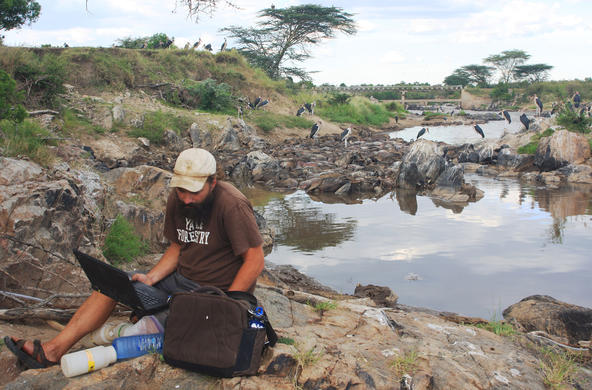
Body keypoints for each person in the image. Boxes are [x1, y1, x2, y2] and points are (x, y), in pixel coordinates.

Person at [5, 148, 265, 369]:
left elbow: (254, 259)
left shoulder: (232, 204)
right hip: (177, 282)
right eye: (182, 191)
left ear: (213, 182)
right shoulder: (179, 198)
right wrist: (151, 277)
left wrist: (228, 305)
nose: (186, 198)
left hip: (212, 293)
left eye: (194, 192)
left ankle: (142, 326)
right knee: (110, 285)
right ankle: (52, 351)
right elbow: (177, 246)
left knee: (150, 334)